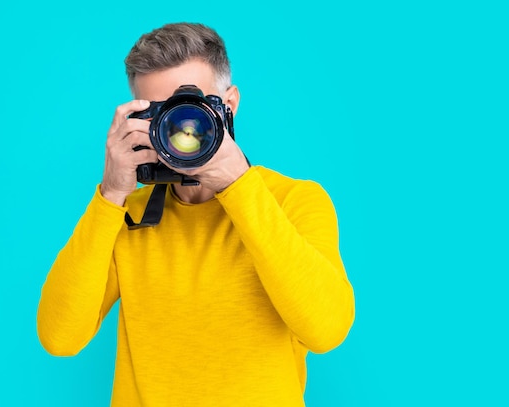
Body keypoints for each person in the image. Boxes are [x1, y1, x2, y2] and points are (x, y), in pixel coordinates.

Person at [37, 22, 355, 406]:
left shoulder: (293, 201)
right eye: (161, 115)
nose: (181, 130)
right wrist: (112, 191)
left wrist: (238, 184)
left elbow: (327, 331)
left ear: (229, 106)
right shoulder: (124, 215)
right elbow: (60, 338)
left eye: (192, 111)